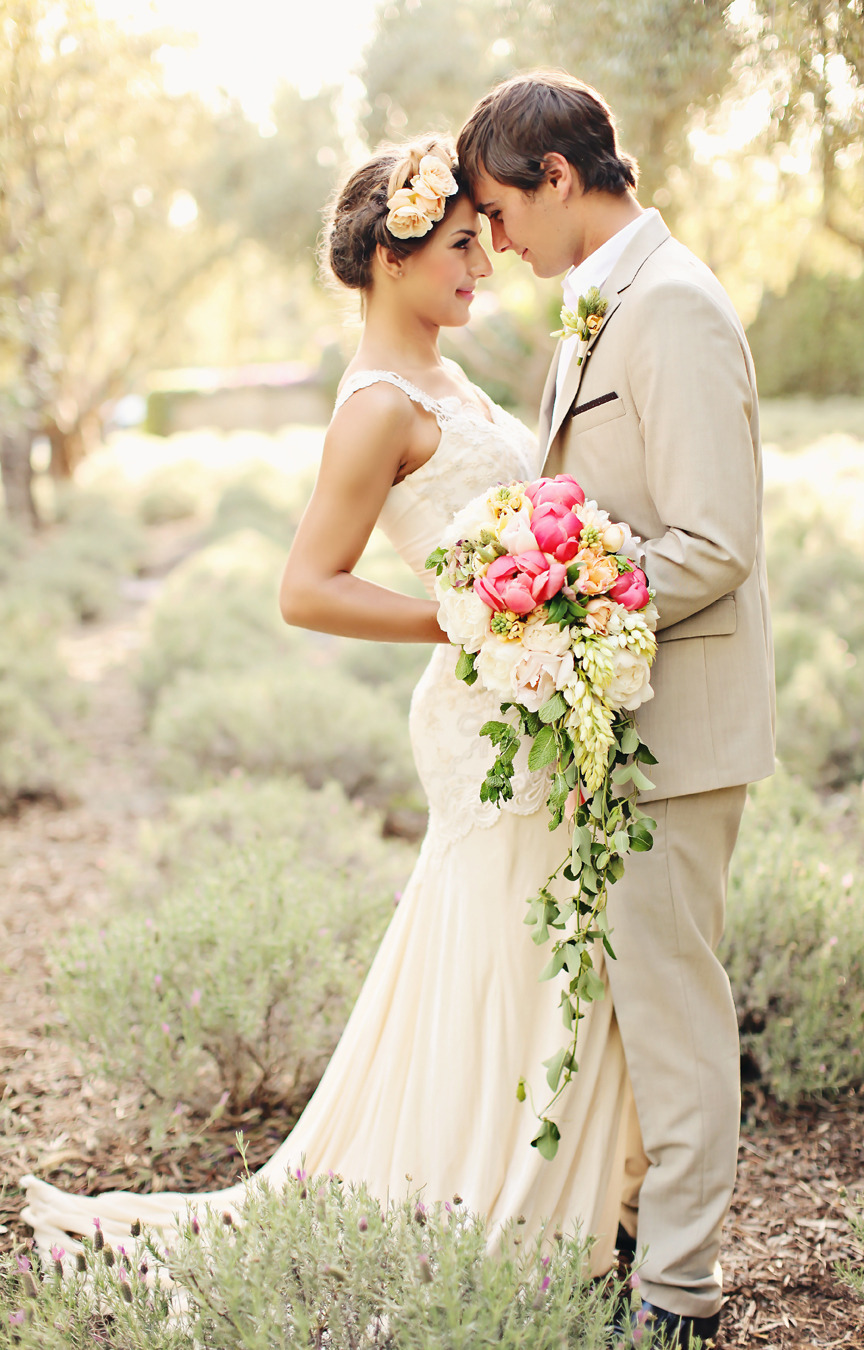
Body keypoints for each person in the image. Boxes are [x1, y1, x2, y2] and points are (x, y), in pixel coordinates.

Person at [21, 136, 638, 1286]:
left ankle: (559, 1199)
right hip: (484, 709)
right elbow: (307, 587)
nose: (483, 268)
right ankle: (500, 1214)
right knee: (510, 946)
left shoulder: (451, 379)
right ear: (396, 255)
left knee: (539, 943)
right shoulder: (376, 406)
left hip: (535, 698)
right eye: (462, 246)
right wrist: (471, 621)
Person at [457, 72, 777, 1349]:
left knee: (674, 1007)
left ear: (558, 177)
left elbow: (715, 541)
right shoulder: (602, 304)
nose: (498, 243)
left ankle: (682, 1293)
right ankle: (639, 1232)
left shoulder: (679, 309)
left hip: (678, 726)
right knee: (629, 1000)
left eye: (500, 209)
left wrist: (568, 610)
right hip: (619, 719)